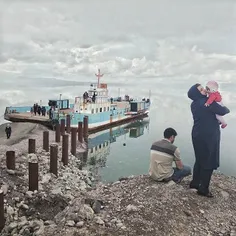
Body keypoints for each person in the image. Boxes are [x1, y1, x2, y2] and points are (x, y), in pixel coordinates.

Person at [187, 83, 230, 198]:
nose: (205, 91)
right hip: (208, 136)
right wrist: (227, 108)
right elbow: (222, 111)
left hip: (197, 134)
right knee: (209, 162)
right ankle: (203, 189)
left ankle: (195, 184)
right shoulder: (207, 103)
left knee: (200, 159)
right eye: (201, 90)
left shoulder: (194, 104)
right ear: (197, 93)